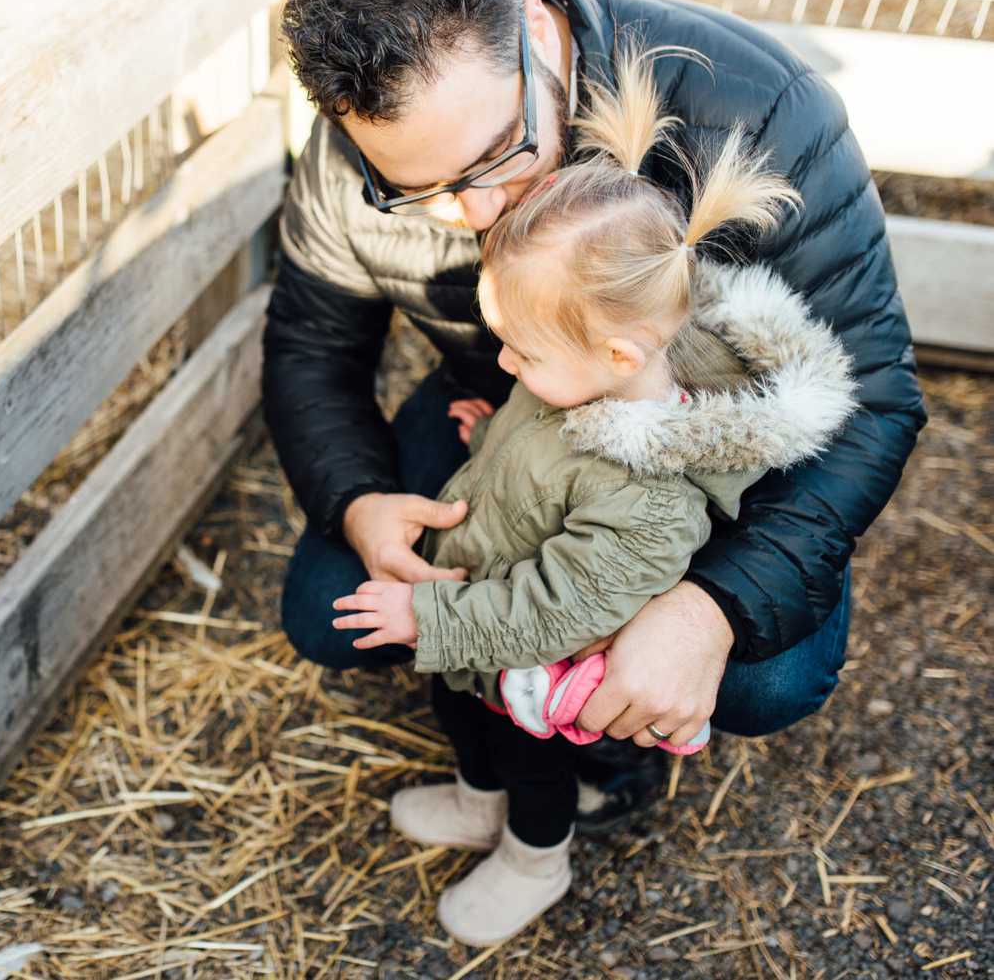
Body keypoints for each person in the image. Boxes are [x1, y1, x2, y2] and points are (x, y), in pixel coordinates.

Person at [264, 0, 925, 829]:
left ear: (534, 25)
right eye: (417, 187)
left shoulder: (760, 111)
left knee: (766, 675)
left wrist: (712, 608)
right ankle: (516, 710)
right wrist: (355, 501)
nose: (477, 212)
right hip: (500, 412)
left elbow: (875, 402)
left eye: (501, 153)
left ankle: (602, 743)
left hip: (692, 451)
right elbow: (311, 347)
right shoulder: (356, 136)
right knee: (331, 605)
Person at [328, 47, 858, 944]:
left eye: (520, 352)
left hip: (522, 645)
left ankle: (535, 852)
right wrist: (488, 437)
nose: (506, 366)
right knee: (457, 708)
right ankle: (476, 797)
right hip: (473, 602)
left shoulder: (650, 497)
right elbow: (540, 430)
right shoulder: (576, 379)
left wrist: (434, 619)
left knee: (521, 747)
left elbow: (564, 608)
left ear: (617, 357)